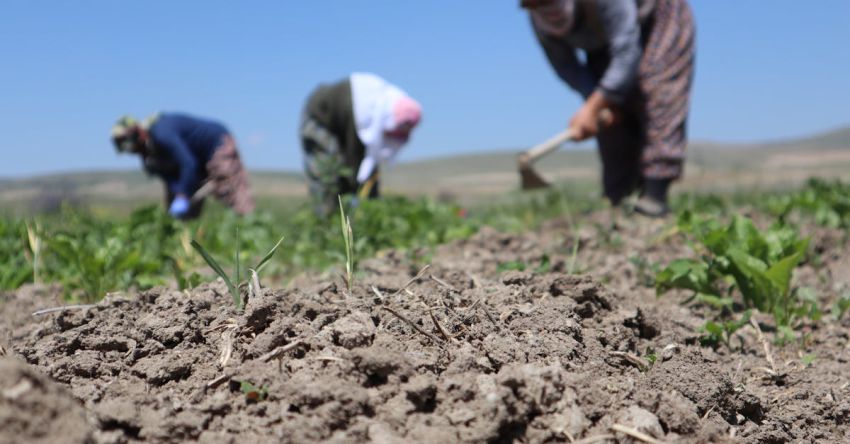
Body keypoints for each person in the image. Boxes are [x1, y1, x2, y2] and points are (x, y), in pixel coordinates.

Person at [521, 0, 695, 217]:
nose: (547, 10)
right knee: (610, 118)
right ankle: (619, 197)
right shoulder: (539, 22)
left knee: (658, 93)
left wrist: (596, 103)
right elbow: (568, 68)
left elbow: (626, 52)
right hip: (604, 44)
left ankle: (655, 195)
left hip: (656, 21)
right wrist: (597, 103)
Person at [300, 73, 422, 215]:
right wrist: (363, 197)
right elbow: (354, 160)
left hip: (340, 124)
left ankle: (346, 221)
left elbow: (369, 163)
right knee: (329, 174)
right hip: (320, 119)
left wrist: (370, 200)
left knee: (349, 179)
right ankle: (326, 226)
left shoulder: (381, 110)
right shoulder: (363, 112)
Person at [110, 113, 255, 219]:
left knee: (228, 186)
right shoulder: (151, 158)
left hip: (215, 145)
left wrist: (182, 194)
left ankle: (252, 229)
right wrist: (179, 194)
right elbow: (172, 177)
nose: (133, 151)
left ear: (139, 133)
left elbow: (188, 163)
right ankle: (184, 235)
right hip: (196, 160)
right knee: (181, 204)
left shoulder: (162, 133)